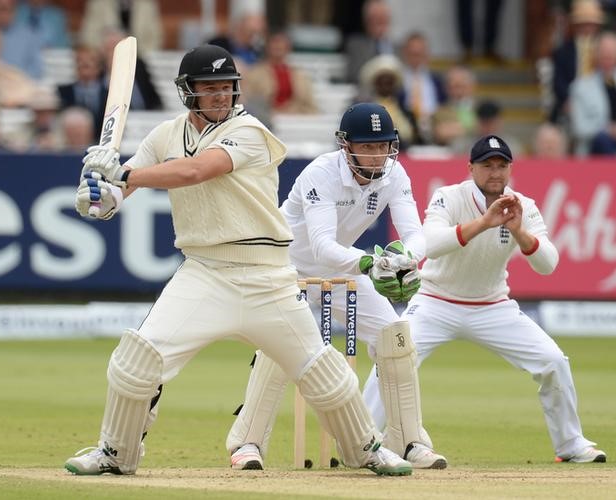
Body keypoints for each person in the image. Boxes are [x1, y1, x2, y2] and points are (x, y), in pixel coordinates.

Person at [64, 44, 412, 477]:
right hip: (204, 273)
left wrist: (121, 174)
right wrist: (98, 196)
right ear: (187, 92)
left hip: (267, 276)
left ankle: (367, 449)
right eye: (209, 89)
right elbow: (119, 194)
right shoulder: (165, 136)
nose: (220, 97)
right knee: (136, 360)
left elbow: (195, 171)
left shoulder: (250, 132)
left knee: (322, 372)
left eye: (226, 88)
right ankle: (115, 454)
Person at [226, 102, 447, 471]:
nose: (377, 156)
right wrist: (370, 263)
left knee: (395, 335)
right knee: (281, 346)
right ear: (346, 146)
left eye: (383, 146)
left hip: (344, 271)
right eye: (368, 146)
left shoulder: (395, 173)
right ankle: (246, 443)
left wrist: (403, 261)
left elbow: (415, 235)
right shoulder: (322, 173)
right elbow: (322, 246)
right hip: (285, 267)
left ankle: (407, 440)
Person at [364, 134, 607, 464]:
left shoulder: (524, 206)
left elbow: (548, 264)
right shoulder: (448, 197)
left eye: (502, 165)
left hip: (493, 306)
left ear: (510, 169)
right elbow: (430, 244)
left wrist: (520, 232)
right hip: (436, 301)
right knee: (395, 356)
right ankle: (362, 439)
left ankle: (571, 444)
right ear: (470, 168)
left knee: (553, 361)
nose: (495, 172)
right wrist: (484, 223)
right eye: (487, 165)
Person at [80, 0, 163, 53]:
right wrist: (108, 49)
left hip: (138, 60)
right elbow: (88, 37)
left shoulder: (147, 4)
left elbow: (156, 38)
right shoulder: (98, 4)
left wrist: (134, 52)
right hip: (105, 61)